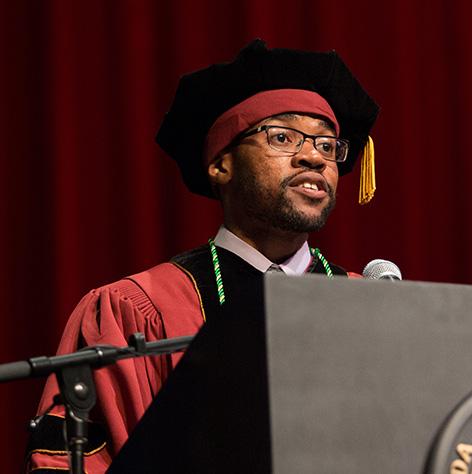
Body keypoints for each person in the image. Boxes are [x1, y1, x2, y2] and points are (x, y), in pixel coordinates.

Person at [25, 39, 379, 472]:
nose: (313, 156)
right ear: (220, 164)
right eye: (283, 136)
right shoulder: (137, 310)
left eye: (328, 146)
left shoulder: (373, 303)